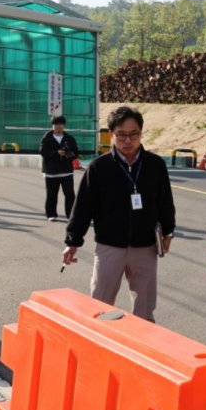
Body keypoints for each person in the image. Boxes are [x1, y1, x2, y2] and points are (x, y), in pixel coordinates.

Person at [62, 106, 175, 322]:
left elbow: (165, 202)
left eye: (133, 134)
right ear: (111, 135)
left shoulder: (155, 165)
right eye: (121, 135)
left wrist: (168, 231)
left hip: (145, 246)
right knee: (100, 306)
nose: (127, 140)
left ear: (141, 134)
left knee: (144, 310)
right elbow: (83, 207)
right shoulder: (98, 167)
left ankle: (140, 350)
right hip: (109, 247)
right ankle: (97, 349)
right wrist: (72, 241)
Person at [39, 115, 79, 222]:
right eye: (56, 124)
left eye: (61, 124)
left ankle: (71, 215)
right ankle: (51, 214)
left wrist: (68, 153)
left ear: (64, 125)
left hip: (66, 171)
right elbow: (43, 152)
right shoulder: (46, 138)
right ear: (52, 125)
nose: (58, 126)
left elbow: (75, 153)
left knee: (70, 194)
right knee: (51, 194)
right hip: (51, 171)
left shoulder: (69, 138)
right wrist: (56, 153)